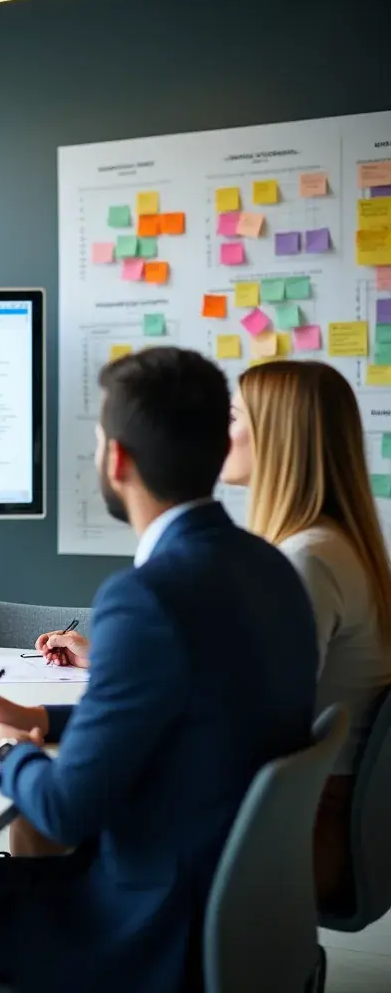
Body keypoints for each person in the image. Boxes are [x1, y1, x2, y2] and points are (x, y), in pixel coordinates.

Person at [0, 347, 319, 993]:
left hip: (147, 924)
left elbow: (65, 811)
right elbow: (185, 710)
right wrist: (38, 717)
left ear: (116, 460)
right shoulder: (271, 568)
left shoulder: (147, 596)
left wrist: (7, 752)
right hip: (230, 903)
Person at [221, 359, 391, 911]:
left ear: (275, 437)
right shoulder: (332, 545)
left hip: (305, 828)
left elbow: (257, 720)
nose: (222, 431)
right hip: (317, 811)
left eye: (233, 415)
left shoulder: (306, 559)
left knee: (68, 808)